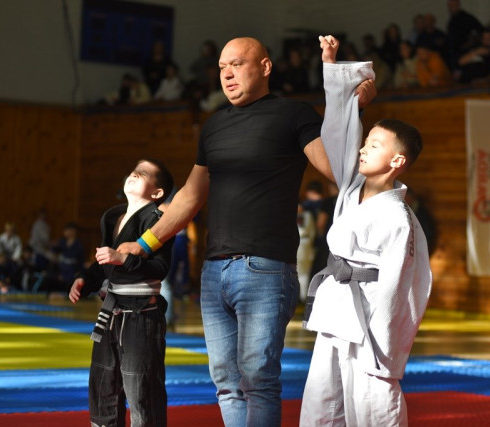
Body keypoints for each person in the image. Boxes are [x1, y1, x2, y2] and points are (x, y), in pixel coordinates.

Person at [113, 36, 376, 426]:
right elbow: (190, 196)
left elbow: (336, 169)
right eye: (222, 67)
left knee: (258, 381)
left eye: (237, 64)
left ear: (265, 67)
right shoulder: (214, 125)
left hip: (265, 270)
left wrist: (352, 108)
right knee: (226, 383)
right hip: (213, 271)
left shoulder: (293, 114)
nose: (227, 74)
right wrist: (144, 242)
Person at [300, 35, 432, 426]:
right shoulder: (350, 186)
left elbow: (402, 287)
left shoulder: (399, 219)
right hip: (335, 310)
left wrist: (386, 346)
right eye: (366, 142)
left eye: (373, 145)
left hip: (370, 323)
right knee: (322, 405)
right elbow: (339, 138)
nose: (362, 149)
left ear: (397, 160)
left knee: (372, 406)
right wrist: (334, 72)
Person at [68, 158, 174, 426]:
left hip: (142, 313)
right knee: (102, 383)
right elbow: (103, 263)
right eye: (133, 171)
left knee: (141, 387)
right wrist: (84, 280)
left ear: (157, 193)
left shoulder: (159, 221)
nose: (134, 175)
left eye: (143, 173)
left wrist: (124, 259)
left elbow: (160, 268)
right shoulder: (112, 217)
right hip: (110, 312)